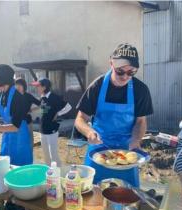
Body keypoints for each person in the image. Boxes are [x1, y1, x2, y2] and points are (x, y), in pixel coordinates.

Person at [75, 43, 153, 186]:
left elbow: (140, 121)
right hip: (99, 147)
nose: (125, 77)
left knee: (128, 194)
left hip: (126, 149)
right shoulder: (96, 87)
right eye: (120, 71)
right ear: (111, 63)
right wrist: (89, 132)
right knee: (93, 193)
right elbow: (80, 119)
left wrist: (136, 140)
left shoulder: (141, 90)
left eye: (131, 72)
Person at [32, 78, 72, 166]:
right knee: (46, 155)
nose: (36, 88)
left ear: (44, 87)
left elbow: (69, 107)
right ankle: (49, 174)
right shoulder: (42, 97)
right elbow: (43, 108)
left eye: (38, 86)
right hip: (43, 129)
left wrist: (58, 113)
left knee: (53, 155)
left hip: (52, 130)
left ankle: (59, 173)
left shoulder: (54, 97)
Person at [15, 78, 40, 148]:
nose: (18, 87)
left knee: (29, 139)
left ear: (24, 86)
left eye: (20, 85)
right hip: (17, 122)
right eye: (16, 85)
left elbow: (41, 104)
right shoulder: (14, 96)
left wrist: (31, 109)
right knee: (19, 141)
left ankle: (30, 156)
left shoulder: (28, 96)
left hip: (27, 121)